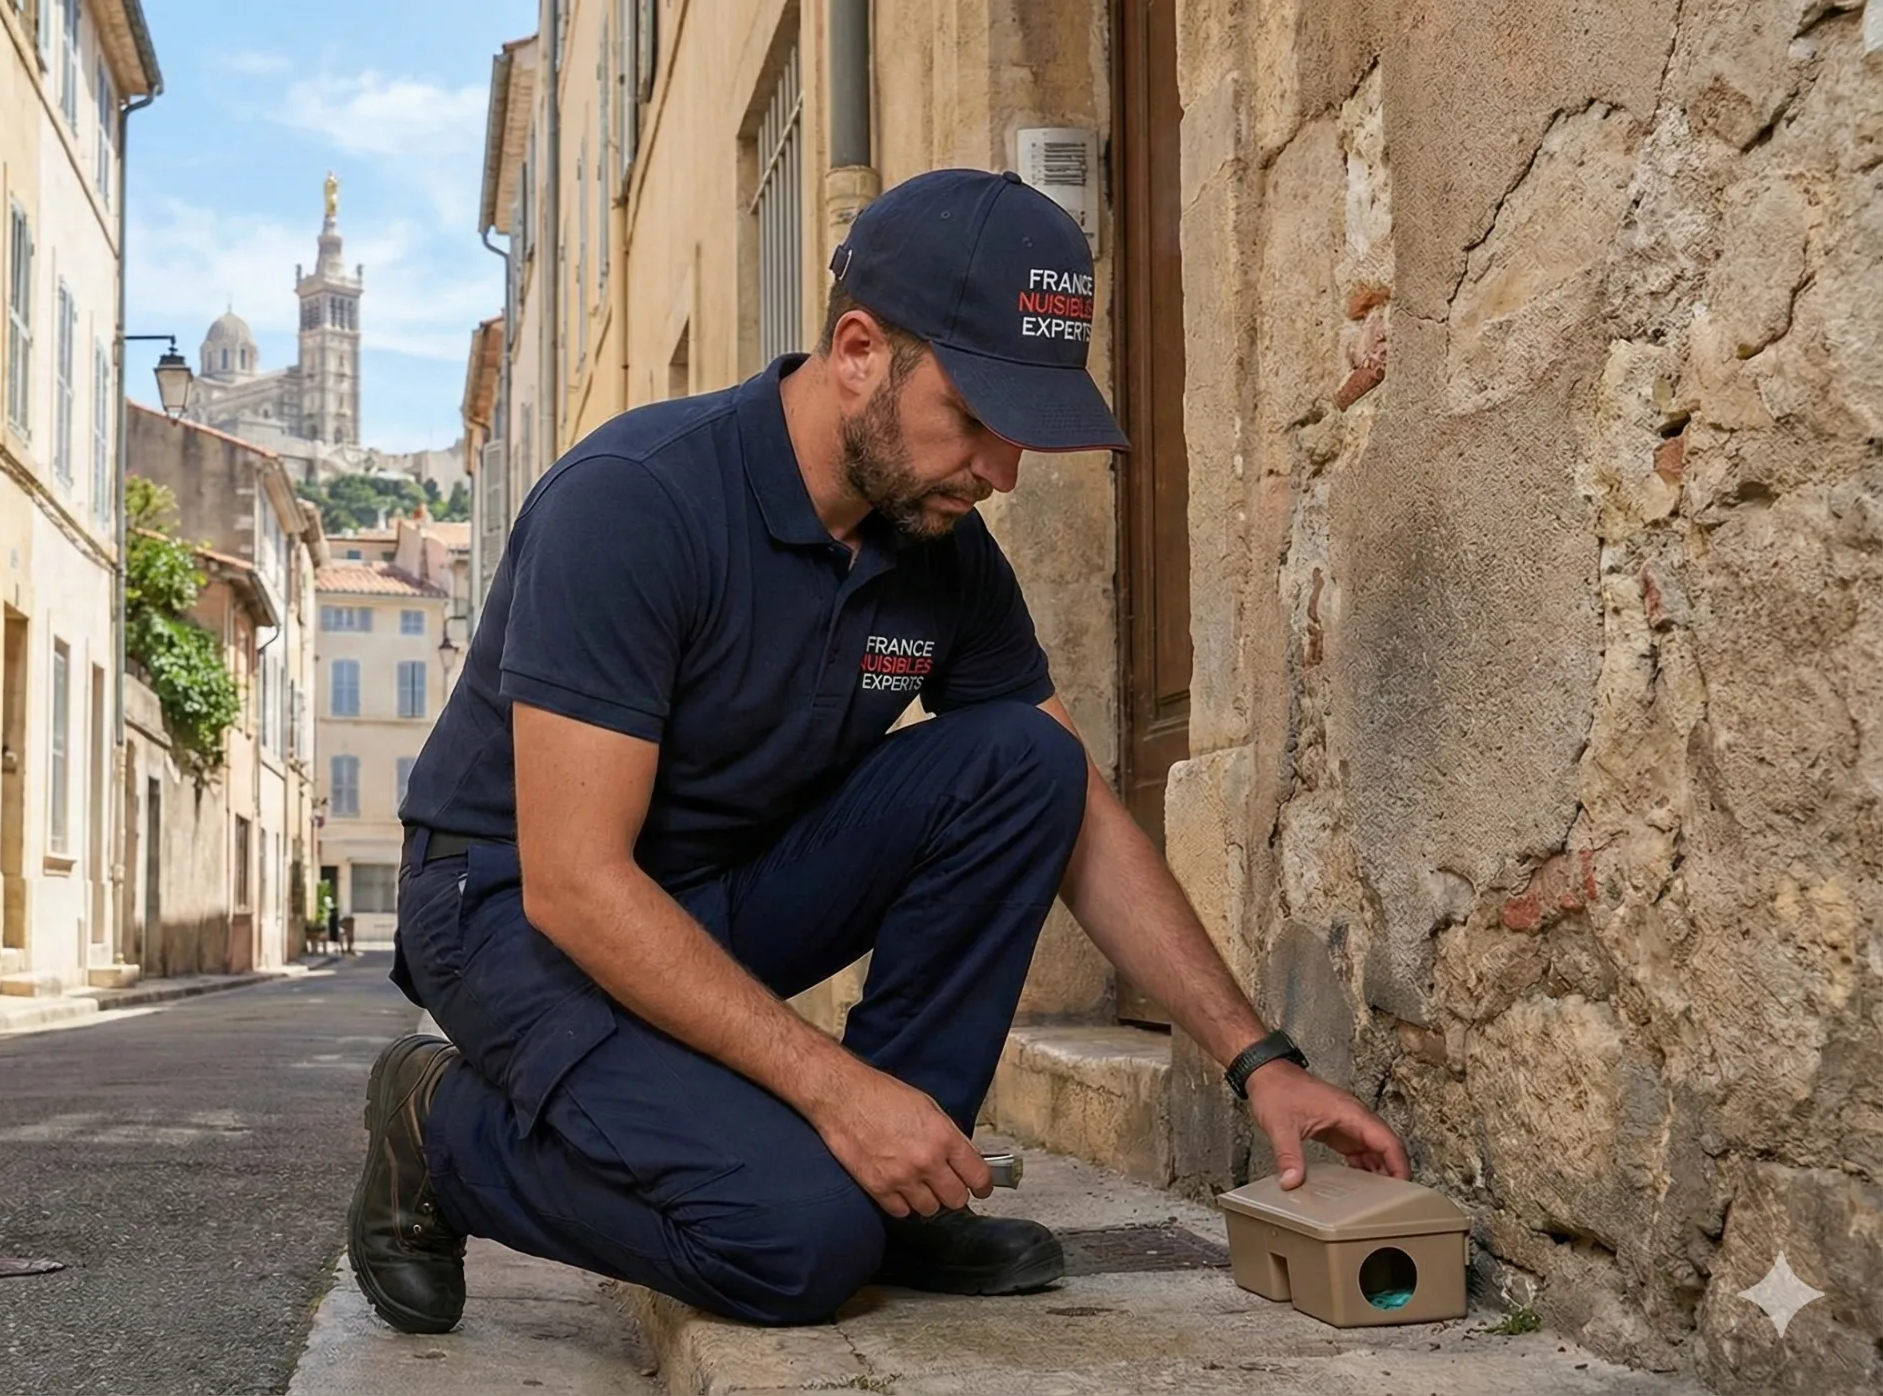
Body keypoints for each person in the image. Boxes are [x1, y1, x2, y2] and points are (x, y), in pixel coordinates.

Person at [346, 169, 1409, 1337]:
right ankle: (439, 1133)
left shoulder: (939, 547)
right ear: (857, 350)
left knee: (1025, 763)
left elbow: (1079, 816)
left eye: (1025, 434)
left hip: (716, 893)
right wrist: (836, 1093)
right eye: (975, 420)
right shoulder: (635, 502)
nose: (1002, 473)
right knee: (790, 1241)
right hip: (513, 907)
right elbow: (576, 884)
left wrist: (1257, 1057)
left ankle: (903, 1187)